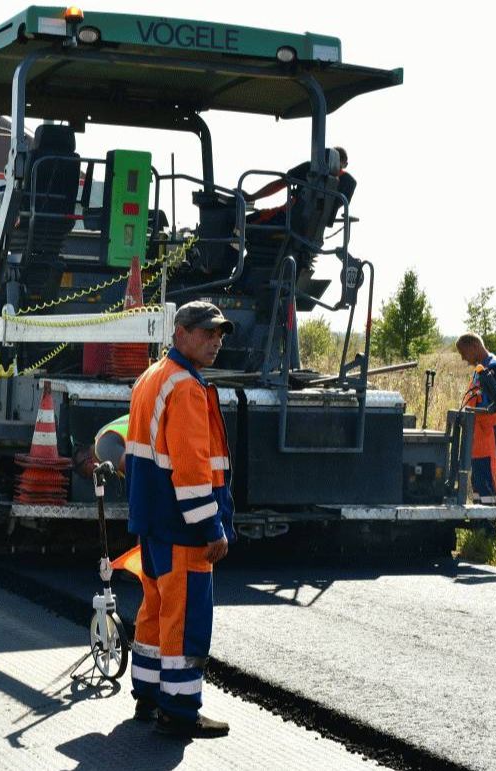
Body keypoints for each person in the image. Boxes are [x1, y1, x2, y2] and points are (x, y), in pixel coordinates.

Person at [123, 301, 235, 739]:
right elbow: (191, 468)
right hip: (183, 527)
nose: (215, 342)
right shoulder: (186, 387)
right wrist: (211, 526)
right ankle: (181, 709)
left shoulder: (152, 377)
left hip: (152, 523)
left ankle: (148, 696)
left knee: (154, 612)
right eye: (207, 333)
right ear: (181, 333)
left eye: (220, 334)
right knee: (184, 620)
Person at [244, 146, 356, 229]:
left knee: (238, 221)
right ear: (345, 164)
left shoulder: (310, 168)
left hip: (285, 218)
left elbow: (281, 183)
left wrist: (251, 197)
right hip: (311, 230)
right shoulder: (348, 183)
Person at [456, 332, 496, 505]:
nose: (464, 358)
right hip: (477, 431)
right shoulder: (479, 369)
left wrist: (472, 412)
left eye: (464, 353)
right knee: (478, 478)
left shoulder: (495, 366)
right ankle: (480, 520)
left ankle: (491, 522)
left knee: (489, 476)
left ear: (474, 346)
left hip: (490, 431)